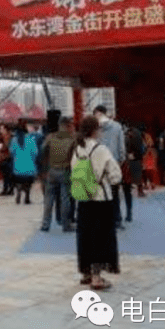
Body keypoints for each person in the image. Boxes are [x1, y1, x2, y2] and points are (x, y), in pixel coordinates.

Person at [72, 115, 121, 290]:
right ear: (95, 130)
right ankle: (96, 277)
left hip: (83, 197)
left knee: (85, 236)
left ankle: (85, 272)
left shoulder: (78, 149)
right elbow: (115, 174)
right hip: (100, 198)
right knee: (100, 237)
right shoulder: (100, 149)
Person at [94, 105, 127, 228]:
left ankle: (103, 220)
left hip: (98, 166)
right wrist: (119, 163)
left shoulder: (95, 128)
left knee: (100, 194)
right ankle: (117, 220)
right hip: (114, 164)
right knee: (115, 194)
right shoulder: (118, 127)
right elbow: (122, 148)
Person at [40, 117, 76, 232]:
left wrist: (44, 170)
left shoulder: (50, 137)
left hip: (51, 171)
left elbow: (42, 152)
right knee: (65, 199)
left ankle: (45, 224)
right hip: (65, 171)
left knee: (49, 198)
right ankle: (66, 225)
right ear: (67, 125)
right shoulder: (72, 139)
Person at [10, 124, 39, 205]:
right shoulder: (31, 140)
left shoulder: (14, 140)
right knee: (28, 182)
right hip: (29, 169)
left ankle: (19, 190)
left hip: (17, 169)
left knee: (18, 180)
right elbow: (35, 153)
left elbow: (12, 152)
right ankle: (27, 196)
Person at [123, 124, 146, 214]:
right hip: (137, 158)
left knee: (128, 175)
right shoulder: (139, 136)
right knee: (138, 175)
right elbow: (143, 148)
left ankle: (130, 188)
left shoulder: (126, 137)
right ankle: (140, 191)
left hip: (128, 157)